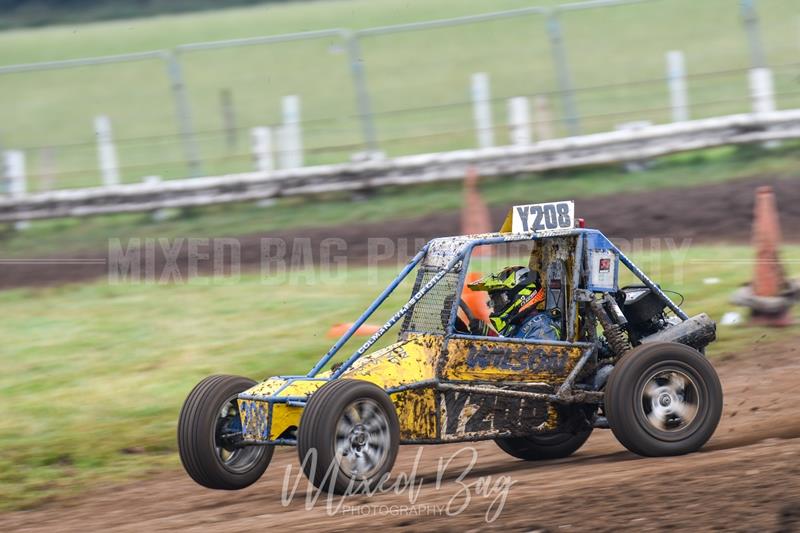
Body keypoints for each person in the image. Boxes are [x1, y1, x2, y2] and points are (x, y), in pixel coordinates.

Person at [466, 266, 561, 341]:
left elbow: (527, 362)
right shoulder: (519, 326)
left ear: (522, 295)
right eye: (494, 301)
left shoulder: (543, 327)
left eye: (499, 300)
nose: (496, 306)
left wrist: (491, 337)